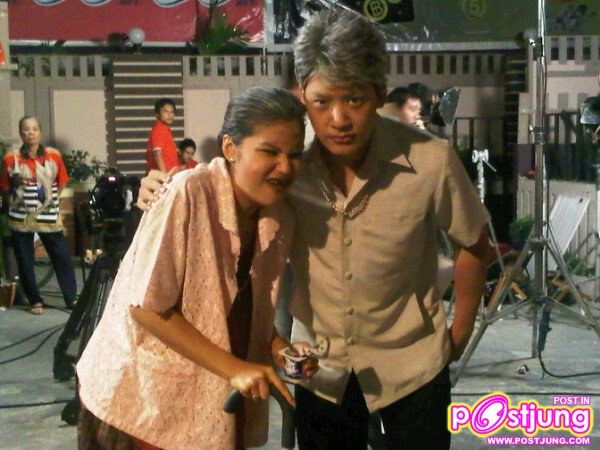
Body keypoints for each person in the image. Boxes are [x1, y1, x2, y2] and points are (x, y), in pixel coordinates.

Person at [138, 9, 493, 450]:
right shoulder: (289, 163)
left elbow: (474, 243)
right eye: (322, 102)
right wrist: (163, 185)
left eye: (355, 100)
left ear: (379, 93)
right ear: (302, 93)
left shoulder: (430, 160)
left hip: (414, 368)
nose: (338, 119)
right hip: (321, 373)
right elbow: (223, 182)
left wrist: (457, 336)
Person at [77, 86, 317, 450]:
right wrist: (236, 369)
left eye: (294, 155)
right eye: (269, 152)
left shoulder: (279, 216)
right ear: (230, 148)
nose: (285, 167)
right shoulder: (188, 192)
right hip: (147, 400)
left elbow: (236, 309)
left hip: (213, 400)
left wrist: (280, 350)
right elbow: (146, 308)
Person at [0, 116, 77, 314]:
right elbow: (5, 188)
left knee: (62, 256)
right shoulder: (10, 159)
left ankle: (71, 298)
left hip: (48, 216)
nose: (31, 133)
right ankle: (35, 300)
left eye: (35, 129)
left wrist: (50, 200)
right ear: (21, 133)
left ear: (40, 132)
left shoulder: (54, 156)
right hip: (21, 217)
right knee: (25, 260)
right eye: (26, 129)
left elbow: (62, 181)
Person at [146, 98, 179, 173]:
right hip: (162, 176)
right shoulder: (160, 129)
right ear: (157, 114)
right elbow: (157, 153)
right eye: (165, 111)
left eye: (172, 112)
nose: (169, 115)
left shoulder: (164, 129)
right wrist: (164, 176)